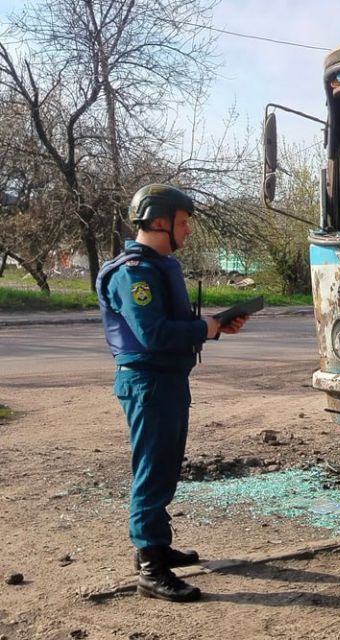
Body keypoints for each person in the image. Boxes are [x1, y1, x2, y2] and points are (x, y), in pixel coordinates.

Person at [96, 184, 248, 602]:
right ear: (159, 222)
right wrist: (206, 328)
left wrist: (215, 327)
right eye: (183, 223)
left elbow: (168, 329)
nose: (188, 231)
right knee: (152, 473)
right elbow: (153, 334)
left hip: (165, 381)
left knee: (163, 469)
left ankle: (156, 547)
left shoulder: (157, 265)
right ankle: (150, 569)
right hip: (148, 384)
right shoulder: (134, 273)